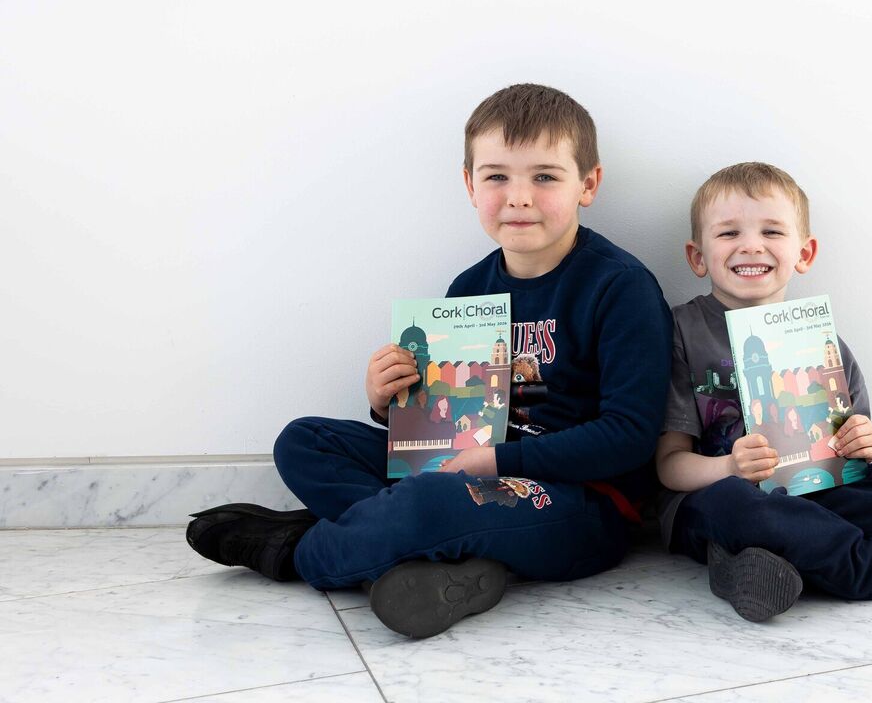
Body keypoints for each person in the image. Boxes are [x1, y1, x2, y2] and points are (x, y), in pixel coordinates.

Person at [187, 83, 673, 638]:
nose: (519, 197)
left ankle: (294, 548)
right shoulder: (468, 289)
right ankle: (426, 553)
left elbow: (631, 436)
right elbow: (440, 424)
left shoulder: (620, 287)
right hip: (462, 467)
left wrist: (496, 462)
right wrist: (385, 402)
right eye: (496, 176)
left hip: (579, 502)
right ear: (469, 184)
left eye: (544, 176)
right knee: (303, 441)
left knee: (426, 504)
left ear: (588, 184)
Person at [655, 162, 872, 623]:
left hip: (810, 497)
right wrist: (729, 466)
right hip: (716, 502)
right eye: (728, 234)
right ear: (698, 256)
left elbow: (850, 463)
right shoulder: (680, 331)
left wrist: (862, 443)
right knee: (737, 505)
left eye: (772, 231)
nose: (751, 245)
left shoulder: (822, 344)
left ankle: (752, 563)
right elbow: (668, 468)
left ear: (804, 253)